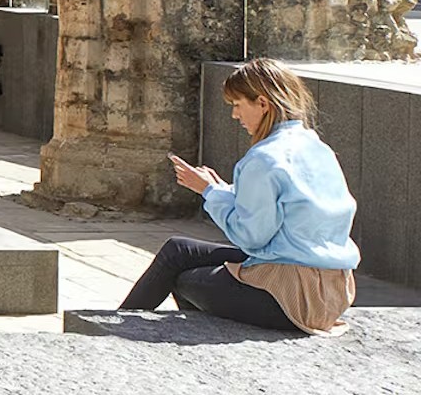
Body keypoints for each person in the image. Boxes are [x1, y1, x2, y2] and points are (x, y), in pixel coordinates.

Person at [120, 59, 360, 334]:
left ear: (262, 103)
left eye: (237, 105)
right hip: (332, 291)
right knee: (179, 249)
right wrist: (221, 190)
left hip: (290, 297)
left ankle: (113, 340)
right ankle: (115, 326)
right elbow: (285, 207)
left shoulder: (263, 158)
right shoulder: (316, 146)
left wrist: (209, 193)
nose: (235, 116)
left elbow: (251, 237)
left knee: (184, 278)